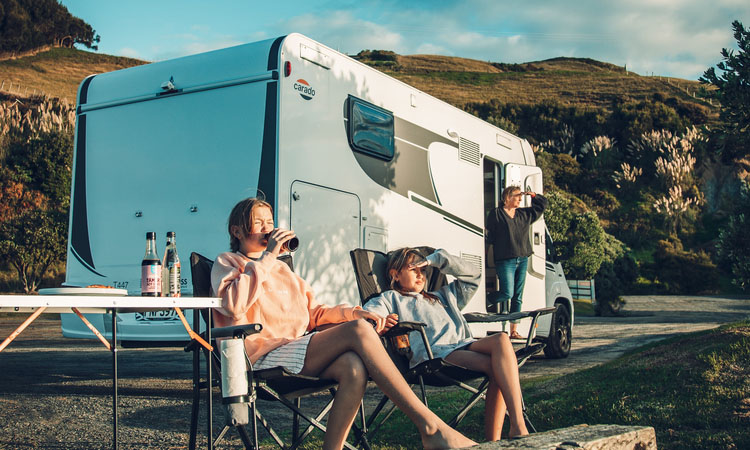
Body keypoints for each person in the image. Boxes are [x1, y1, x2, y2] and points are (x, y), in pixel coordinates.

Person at [210, 197, 477, 450]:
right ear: (237, 231)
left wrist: (355, 314)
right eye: (259, 223)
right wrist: (268, 257)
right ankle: (430, 427)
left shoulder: (283, 270)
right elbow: (233, 305)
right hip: (260, 357)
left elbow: (314, 313)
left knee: (353, 366)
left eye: (270, 222)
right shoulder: (228, 262)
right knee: (359, 334)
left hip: (293, 350)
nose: (268, 229)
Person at [363, 247, 530, 441]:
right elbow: (369, 315)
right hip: (435, 355)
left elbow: (474, 274)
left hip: (462, 344)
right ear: (395, 274)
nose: (420, 275)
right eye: (413, 269)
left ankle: (516, 425)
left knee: (502, 338)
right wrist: (383, 322)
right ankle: (503, 436)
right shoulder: (391, 298)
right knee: (498, 369)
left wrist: (436, 260)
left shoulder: (443, 296)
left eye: (423, 270)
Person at [485, 186, 547, 340]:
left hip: (523, 258)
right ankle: (486, 300)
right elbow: (489, 236)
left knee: (517, 296)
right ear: (507, 197)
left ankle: (513, 330)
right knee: (507, 292)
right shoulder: (496, 214)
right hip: (505, 260)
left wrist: (533, 195)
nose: (520, 199)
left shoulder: (524, 214)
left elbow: (542, 205)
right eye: (517, 196)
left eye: (521, 196)